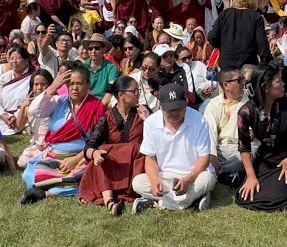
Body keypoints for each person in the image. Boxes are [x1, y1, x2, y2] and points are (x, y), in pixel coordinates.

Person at [20, 65, 106, 203]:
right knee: (29, 174)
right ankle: (57, 184)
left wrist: (76, 159)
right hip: (54, 156)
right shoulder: (59, 101)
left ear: (88, 84)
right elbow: (35, 110)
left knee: (86, 175)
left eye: (79, 83)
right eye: (70, 84)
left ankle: (46, 193)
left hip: (81, 156)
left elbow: (99, 139)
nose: (74, 88)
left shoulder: (96, 106)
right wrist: (53, 86)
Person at [130, 83, 217, 212]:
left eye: (179, 108)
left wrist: (188, 179)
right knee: (137, 182)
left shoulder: (199, 120)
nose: (175, 113)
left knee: (207, 179)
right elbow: (150, 158)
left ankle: (161, 202)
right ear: (161, 106)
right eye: (170, 109)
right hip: (165, 175)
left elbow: (204, 158)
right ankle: (191, 200)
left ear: (186, 103)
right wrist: (154, 181)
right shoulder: (151, 122)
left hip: (194, 174)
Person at [235, 64, 287, 211]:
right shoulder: (246, 112)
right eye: (278, 81)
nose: (283, 84)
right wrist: (251, 176)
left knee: (277, 198)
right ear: (266, 87)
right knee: (247, 196)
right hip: (266, 157)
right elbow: (244, 147)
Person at [77, 76, 146, 214]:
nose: (138, 94)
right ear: (121, 95)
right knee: (102, 151)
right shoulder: (106, 118)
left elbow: (156, 139)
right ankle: (110, 201)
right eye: (135, 91)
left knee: (136, 149)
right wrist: (95, 153)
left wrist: (147, 120)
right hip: (114, 166)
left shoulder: (143, 112)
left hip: (134, 165)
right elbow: (90, 146)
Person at [203, 66, 249, 185]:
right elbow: (210, 132)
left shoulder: (249, 101)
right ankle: (227, 172)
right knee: (203, 155)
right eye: (239, 80)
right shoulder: (214, 104)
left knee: (249, 153)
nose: (243, 83)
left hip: (241, 148)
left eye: (243, 79)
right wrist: (213, 157)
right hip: (221, 150)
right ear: (226, 85)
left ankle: (224, 173)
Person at [208, 0, 269, 73]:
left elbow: (212, 37)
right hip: (248, 66)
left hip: (226, 64)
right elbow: (262, 45)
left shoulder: (225, 14)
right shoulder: (255, 16)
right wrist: (266, 62)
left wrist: (224, 46)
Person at [0, 45, 36, 134]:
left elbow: (33, 100)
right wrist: (3, 116)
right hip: (4, 116)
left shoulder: (33, 78)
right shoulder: (3, 78)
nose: (14, 61)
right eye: (11, 58)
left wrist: (16, 116)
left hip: (23, 115)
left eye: (18, 58)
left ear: (26, 60)